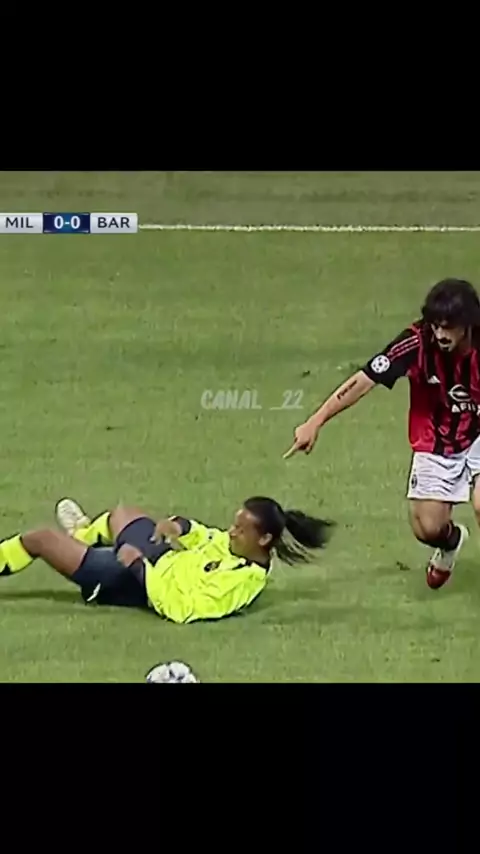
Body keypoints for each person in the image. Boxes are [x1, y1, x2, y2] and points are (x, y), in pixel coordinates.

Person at [284, 278, 480, 589]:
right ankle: (450, 543)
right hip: (436, 439)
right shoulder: (416, 342)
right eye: (436, 326)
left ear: (468, 324)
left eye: (449, 327)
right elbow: (364, 379)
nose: (440, 334)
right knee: (428, 528)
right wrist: (316, 421)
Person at [0, 496, 333, 623]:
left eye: (240, 529)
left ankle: (80, 548)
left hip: (134, 583)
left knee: (40, 539)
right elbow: (209, 537)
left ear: (263, 540)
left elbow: (180, 608)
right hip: (160, 558)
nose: (232, 532)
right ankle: (82, 536)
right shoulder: (238, 549)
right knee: (123, 513)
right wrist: (180, 527)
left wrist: (137, 565)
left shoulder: (238, 584)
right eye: (234, 524)